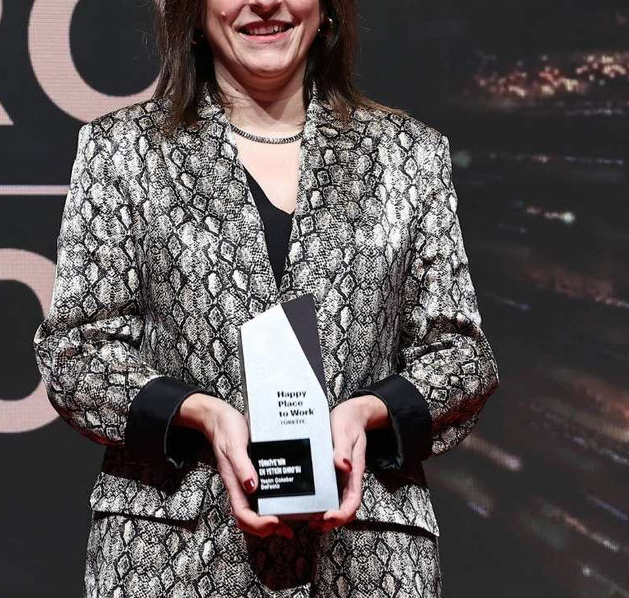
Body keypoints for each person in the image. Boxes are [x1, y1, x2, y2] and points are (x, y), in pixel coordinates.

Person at [30, 0, 501, 596]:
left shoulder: (407, 156)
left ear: (326, 11)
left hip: (365, 560)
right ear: (194, 12)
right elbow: (75, 352)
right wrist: (200, 413)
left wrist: (367, 412)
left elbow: (461, 355)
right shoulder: (123, 151)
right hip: (172, 560)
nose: (264, 3)